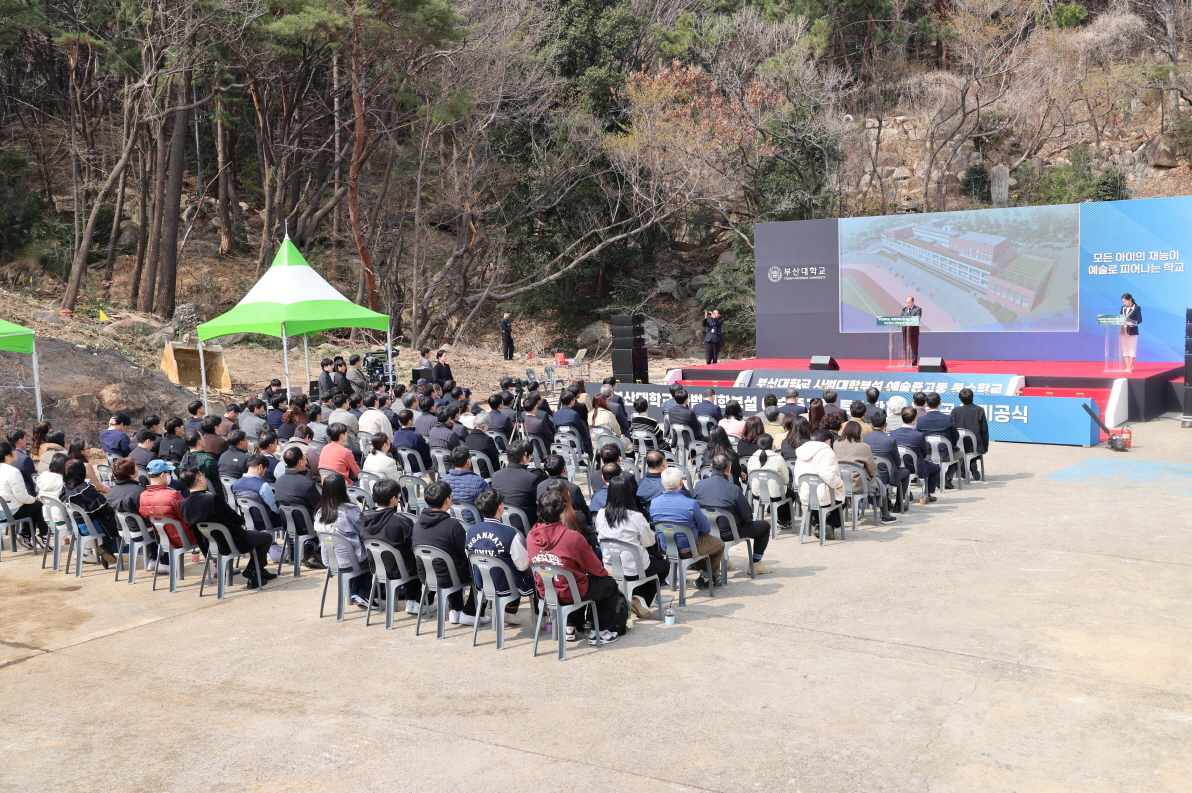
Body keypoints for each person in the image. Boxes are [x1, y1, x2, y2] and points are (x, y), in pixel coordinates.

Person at [527, 489, 627, 645]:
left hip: (545, 591)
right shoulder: (572, 537)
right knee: (607, 584)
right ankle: (600, 631)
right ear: (562, 511)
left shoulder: (531, 535)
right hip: (570, 592)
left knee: (577, 579)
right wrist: (605, 573)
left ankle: (569, 627)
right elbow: (595, 568)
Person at [412, 480, 488, 625]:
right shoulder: (452, 525)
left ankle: (456, 609)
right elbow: (464, 552)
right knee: (480, 567)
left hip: (427, 575)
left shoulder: (417, 523)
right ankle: (471, 612)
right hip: (450, 576)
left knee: (449, 561)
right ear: (447, 500)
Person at [595, 476, 667, 617]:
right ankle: (639, 598)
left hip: (610, 566)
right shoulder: (636, 517)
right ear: (629, 493)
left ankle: (635, 598)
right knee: (664, 566)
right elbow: (649, 542)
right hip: (634, 568)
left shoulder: (600, 514)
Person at [695, 453, 774, 573]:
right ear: (729, 469)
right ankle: (756, 563)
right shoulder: (734, 489)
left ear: (711, 467)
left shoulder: (699, 485)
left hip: (706, 531)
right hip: (730, 533)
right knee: (765, 526)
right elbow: (748, 517)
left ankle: (720, 560)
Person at [466, 488, 534, 624]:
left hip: (481, 581)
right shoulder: (510, 533)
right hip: (505, 585)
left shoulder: (470, 530)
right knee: (525, 571)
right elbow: (523, 564)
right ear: (500, 508)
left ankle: (509, 611)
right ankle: (512, 611)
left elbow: (469, 556)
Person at [649, 468, 725, 588]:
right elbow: (705, 529)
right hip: (688, 549)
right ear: (681, 483)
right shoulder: (691, 503)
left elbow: (654, 524)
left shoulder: (654, 503)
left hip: (666, 548)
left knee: (701, 541)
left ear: (662, 484)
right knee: (719, 544)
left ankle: (706, 573)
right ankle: (706, 575)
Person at [360, 479, 420, 611]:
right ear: (393, 499)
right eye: (398, 497)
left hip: (375, 567)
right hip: (400, 570)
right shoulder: (402, 522)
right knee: (417, 559)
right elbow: (414, 546)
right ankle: (415, 600)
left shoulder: (363, 518)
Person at [311, 473, 369, 606]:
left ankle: (354, 592)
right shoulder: (350, 509)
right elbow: (363, 530)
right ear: (343, 489)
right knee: (373, 560)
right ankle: (363, 593)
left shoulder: (319, 511)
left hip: (331, 560)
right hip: (352, 560)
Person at [139, 459, 205, 560]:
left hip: (162, 538)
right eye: (169, 473)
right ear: (162, 475)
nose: (170, 476)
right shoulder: (173, 495)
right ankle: (218, 565)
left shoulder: (143, 496)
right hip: (184, 538)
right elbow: (187, 517)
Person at [272, 445, 324, 568]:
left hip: (287, 526)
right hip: (306, 526)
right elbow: (319, 506)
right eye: (304, 457)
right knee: (324, 523)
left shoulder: (279, 481)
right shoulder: (306, 483)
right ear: (300, 461)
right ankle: (309, 552)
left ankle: (306, 552)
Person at [835, 421, 897, 523]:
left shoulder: (836, 443)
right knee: (880, 484)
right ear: (859, 432)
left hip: (840, 481)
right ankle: (885, 516)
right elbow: (872, 469)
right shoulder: (863, 446)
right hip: (857, 483)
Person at [62, 459, 120, 567]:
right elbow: (103, 507)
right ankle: (107, 547)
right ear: (82, 472)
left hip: (76, 526)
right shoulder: (86, 489)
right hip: (91, 526)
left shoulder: (65, 489)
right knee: (117, 522)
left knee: (110, 520)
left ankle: (106, 547)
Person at [794, 429, 847, 539]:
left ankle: (818, 524)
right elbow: (827, 475)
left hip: (805, 494)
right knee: (843, 500)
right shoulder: (827, 452)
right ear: (828, 441)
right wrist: (840, 483)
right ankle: (829, 524)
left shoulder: (802, 452)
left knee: (816, 497)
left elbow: (797, 475)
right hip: (823, 495)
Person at [489, 440, 546, 531]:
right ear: (524, 458)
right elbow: (540, 503)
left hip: (501, 522)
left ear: (507, 458)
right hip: (525, 525)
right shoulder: (532, 478)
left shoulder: (496, 475)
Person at [0, 441, 47, 551]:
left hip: (2, 510)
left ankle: (25, 535)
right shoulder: (13, 471)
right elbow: (22, 497)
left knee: (30, 505)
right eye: (13, 450)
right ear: (7, 456)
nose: (16, 452)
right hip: (10, 512)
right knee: (37, 504)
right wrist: (33, 499)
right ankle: (43, 535)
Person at [890, 407, 940, 503]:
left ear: (901, 417)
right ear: (915, 419)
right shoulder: (919, 435)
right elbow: (925, 453)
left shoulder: (893, 434)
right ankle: (927, 494)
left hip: (899, 466)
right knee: (936, 469)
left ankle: (909, 492)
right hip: (915, 466)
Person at [106, 458, 151, 563]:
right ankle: (158, 560)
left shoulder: (113, 491)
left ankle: (153, 559)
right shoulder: (138, 491)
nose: (138, 468)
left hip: (122, 532)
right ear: (130, 474)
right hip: (141, 532)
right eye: (135, 467)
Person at [863, 412, 911, 510]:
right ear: (886, 425)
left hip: (869, 476)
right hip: (887, 476)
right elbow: (897, 461)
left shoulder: (864, 439)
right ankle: (898, 504)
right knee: (906, 472)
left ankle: (887, 502)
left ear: (871, 426)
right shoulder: (890, 440)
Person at [916, 392, 960, 488]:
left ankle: (937, 477)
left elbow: (918, 437)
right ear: (940, 403)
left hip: (927, 454)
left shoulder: (920, 420)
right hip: (945, 453)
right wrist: (952, 446)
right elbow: (955, 436)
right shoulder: (948, 418)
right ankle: (947, 477)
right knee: (961, 454)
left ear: (926, 403)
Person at [746, 434, 792, 524]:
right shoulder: (778, 458)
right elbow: (785, 479)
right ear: (772, 444)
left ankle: (773, 510)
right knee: (790, 494)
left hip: (757, 493)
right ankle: (784, 519)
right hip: (776, 494)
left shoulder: (752, 458)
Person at [231, 454, 283, 531]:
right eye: (265, 470)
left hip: (248, 521)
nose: (264, 473)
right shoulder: (263, 485)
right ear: (260, 467)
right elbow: (275, 508)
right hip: (266, 523)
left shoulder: (235, 484)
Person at [440, 446, 490, 523]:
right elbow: (489, 505)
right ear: (468, 461)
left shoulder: (444, 480)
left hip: (454, 522)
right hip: (475, 523)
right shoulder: (479, 482)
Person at [535, 455, 589, 525]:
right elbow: (584, 510)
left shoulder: (540, 486)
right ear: (564, 469)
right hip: (569, 525)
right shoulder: (573, 488)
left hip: (547, 524)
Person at [950, 388, 989, 480]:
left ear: (960, 399)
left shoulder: (955, 411)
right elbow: (984, 430)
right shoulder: (979, 410)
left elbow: (951, 428)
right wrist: (984, 447)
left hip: (959, 445)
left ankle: (963, 464)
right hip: (975, 445)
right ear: (973, 398)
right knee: (973, 444)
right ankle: (972, 462)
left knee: (962, 445)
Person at [1120, 292, 1142, 371]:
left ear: (1130, 299)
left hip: (1132, 331)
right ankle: (1127, 366)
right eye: (1123, 302)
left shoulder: (1136, 308)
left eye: (1125, 301)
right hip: (1123, 331)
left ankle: (1130, 366)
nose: (1124, 303)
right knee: (1125, 349)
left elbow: (1139, 320)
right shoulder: (1123, 308)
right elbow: (1120, 318)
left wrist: (1133, 323)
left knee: (1132, 349)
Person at [901, 295, 922, 364]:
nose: (907, 304)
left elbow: (917, 319)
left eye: (909, 302)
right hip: (905, 332)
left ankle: (914, 362)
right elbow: (900, 319)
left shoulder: (918, 309)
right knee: (905, 348)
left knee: (914, 348)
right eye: (906, 302)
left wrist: (909, 323)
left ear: (913, 302)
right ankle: (906, 361)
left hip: (913, 332)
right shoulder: (904, 309)